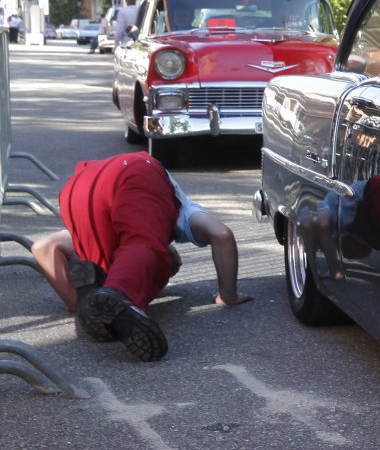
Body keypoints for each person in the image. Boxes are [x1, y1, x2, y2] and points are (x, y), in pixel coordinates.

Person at [30, 153, 252, 361]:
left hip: (78, 187)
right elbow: (221, 234)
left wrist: (74, 302)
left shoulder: (116, 220)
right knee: (143, 244)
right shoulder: (182, 209)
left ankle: (93, 302)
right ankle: (122, 296)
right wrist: (228, 296)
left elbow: (44, 247)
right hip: (135, 173)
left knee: (108, 273)